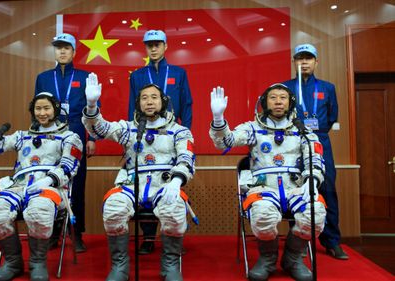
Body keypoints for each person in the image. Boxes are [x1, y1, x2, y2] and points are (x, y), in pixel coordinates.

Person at [82, 73, 195, 281]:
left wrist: (177, 181)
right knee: (113, 207)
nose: (149, 101)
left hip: (165, 185)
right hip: (131, 184)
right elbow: (100, 129)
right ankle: (120, 266)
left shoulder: (179, 131)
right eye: (144, 98)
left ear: (163, 102)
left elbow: (187, 158)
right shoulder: (128, 128)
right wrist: (91, 106)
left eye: (154, 97)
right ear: (138, 103)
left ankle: (170, 265)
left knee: (173, 209)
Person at [209, 84, 327, 281]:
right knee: (263, 216)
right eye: (273, 97)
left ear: (290, 103)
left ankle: (293, 258)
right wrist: (218, 118)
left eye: (283, 97)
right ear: (264, 103)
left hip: (296, 187)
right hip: (264, 188)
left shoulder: (303, 130)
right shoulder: (253, 128)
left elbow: (314, 157)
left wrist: (312, 181)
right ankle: (267, 259)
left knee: (314, 215)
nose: (279, 101)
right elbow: (225, 142)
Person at [0, 92, 83, 281]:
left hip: (51, 187)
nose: (42, 113)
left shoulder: (69, 137)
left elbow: (70, 166)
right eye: (38, 108)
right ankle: (13, 262)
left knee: (39, 210)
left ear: (56, 110)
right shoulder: (22, 136)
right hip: (19, 186)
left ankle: (37, 262)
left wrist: (50, 179)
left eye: (46, 108)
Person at [128, 29, 193, 255]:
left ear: (166, 46)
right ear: (145, 48)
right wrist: (132, 138)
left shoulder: (178, 72)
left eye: (157, 44)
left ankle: (173, 237)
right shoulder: (137, 76)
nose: (153, 48)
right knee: (146, 184)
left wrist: (186, 136)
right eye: (149, 45)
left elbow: (187, 105)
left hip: (172, 139)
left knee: (173, 184)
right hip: (145, 138)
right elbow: (131, 109)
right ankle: (147, 238)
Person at [282, 44, 348, 260]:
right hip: (292, 142)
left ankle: (332, 241)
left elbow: (331, 117)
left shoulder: (327, 88)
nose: (304, 62)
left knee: (327, 188)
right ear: (294, 62)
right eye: (299, 58)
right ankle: (296, 244)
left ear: (316, 62)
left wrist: (315, 133)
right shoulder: (285, 87)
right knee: (295, 188)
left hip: (320, 141)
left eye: (308, 58)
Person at [34, 33, 96, 252]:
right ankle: (52, 234)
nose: (62, 51)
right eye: (58, 48)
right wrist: (36, 138)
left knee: (76, 186)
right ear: (54, 51)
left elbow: (93, 111)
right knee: (50, 184)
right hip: (51, 135)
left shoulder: (86, 76)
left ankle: (76, 234)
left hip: (77, 133)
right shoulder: (43, 77)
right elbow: (37, 111)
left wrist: (92, 138)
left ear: (74, 52)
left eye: (66, 48)